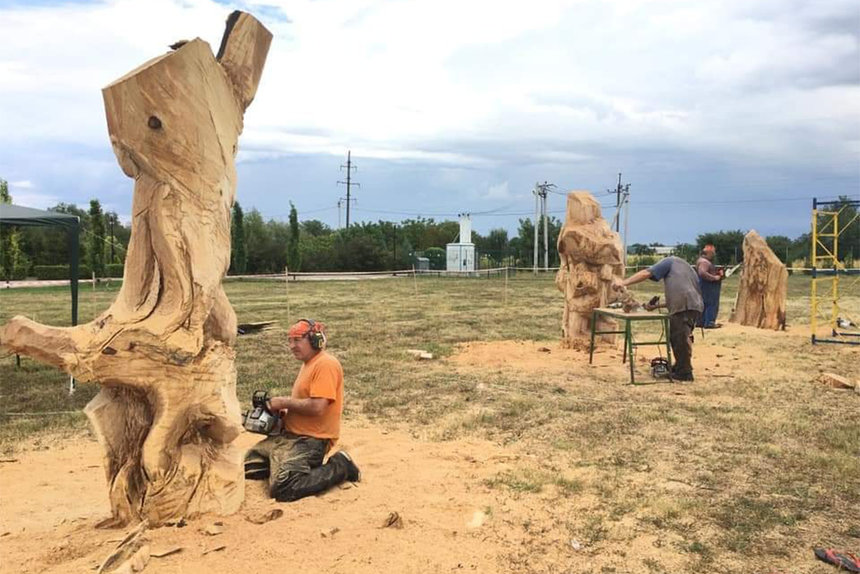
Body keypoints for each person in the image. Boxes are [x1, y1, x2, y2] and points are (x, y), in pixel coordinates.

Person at [244, 319, 360, 502]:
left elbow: (318, 406)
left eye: (297, 340)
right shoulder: (308, 364)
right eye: (290, 341)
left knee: (284, 487)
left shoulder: (326, 364)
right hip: (290, 436)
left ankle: (341, 466)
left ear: (314, 340)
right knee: (250, 467)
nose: (291, 346)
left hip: (312, 440)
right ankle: (295, 467)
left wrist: (283, 402)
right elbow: (304, 403)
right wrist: (282, 416)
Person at [614, 256, 703, 381]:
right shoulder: (686, 268)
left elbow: (646, 273)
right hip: (695, 304)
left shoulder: (669, 262)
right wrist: (656, 306)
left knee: (679, 338)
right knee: (679, 337)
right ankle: (680, 366)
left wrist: (623, 283)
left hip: (686, 305)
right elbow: (682, 293)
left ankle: (684, 373)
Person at [696, 245, 724, 328]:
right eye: (713, 253)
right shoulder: (704, 262)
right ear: (709, 253)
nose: (714, 254)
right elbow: (702, 272)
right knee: (711, 304)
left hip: (704, 285)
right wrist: (714, 278)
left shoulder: (703, 261)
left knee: (703, 303)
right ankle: (709, 322)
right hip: (708, 286)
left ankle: (701, 321)